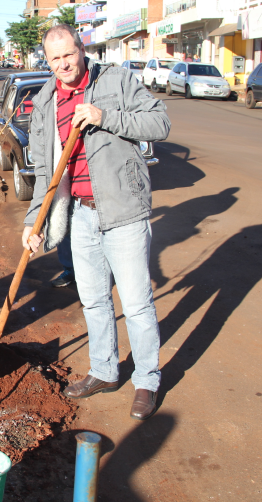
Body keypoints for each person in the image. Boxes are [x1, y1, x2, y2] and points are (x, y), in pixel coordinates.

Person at [22, 24, 170, 421]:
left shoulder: (117, 81)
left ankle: (147, 379)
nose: (63, 64)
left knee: (137, 303)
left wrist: (106, 117)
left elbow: (160, 124)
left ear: (81, 49)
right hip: (80, 214)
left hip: (122, 210)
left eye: (68, 54)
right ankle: (105, 370)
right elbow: (44, 171)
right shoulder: (46, 101)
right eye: (54, 59)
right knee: (94, 299)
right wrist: (33, 221)